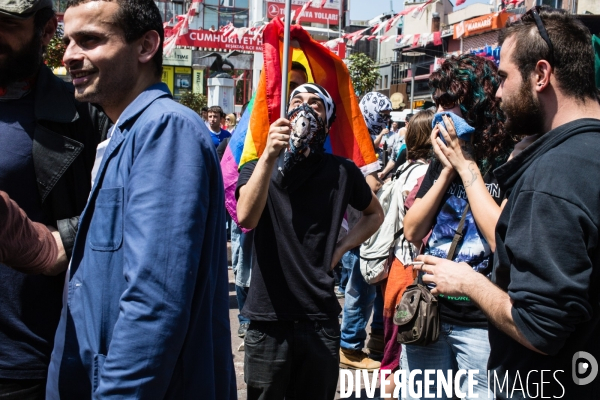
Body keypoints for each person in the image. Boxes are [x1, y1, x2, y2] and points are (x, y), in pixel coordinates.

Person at [47, 0, 236, 398]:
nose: (69, 56)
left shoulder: (165, 129)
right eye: (68, 42)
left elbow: (156, 301)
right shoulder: (127, 131)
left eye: (90, 40)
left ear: (146, 46)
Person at [412, 6, 600, 399]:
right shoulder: (573, 157)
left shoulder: (551, 176)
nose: (498, 93)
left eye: (502, 78)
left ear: (541, 75)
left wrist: (469, 281)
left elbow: (539, 327)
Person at [236, 83, 383, 399]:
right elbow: (246, 218)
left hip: (319, 317)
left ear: (328, 119)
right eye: (297, 101)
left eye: (315, 104)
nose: (304, 109)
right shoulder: (259, 167)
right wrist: (268, 156)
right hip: (267, 318)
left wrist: (342, 248)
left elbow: (375, 214)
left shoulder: (342, 172)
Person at [0, 1, 104, 397]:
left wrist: (55, 243)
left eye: (6, 24)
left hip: (32, 360)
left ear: (45, 33)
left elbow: (129, 207)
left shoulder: (85, 114)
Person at [402, 54, 515, 400]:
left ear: (477, 103)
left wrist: (467, 167)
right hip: (429, 310)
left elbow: (503, 239)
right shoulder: (442, 158)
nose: (442, 113)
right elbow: (412, 230)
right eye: (438, 104)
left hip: (480, 321)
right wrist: (447, 169)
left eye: (451, 104)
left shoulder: (509, 158)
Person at [379, 110, 433, 397]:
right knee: (401, 353)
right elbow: (419, 229)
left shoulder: (402, 169)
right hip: (411, 272)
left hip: (394, 265)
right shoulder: (425, 174)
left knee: (391, 351)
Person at [338, 92, 393, 371]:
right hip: (359, 226)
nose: (384, 121)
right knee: (359, 290)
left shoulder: (368, 140)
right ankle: (350, 347)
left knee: (369, 289)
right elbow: (366, 185)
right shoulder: (358, 142)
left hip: (369, 227)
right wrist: (384, 182)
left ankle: (372, 342)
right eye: (380, 115)